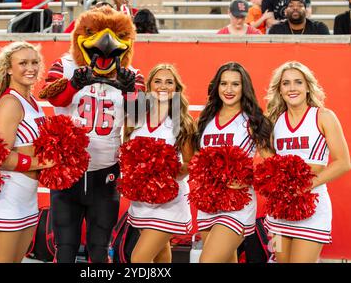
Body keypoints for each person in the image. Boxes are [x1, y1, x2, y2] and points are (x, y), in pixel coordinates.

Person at [42, 6, 145, 263]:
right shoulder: (65, 65)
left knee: (99, 247)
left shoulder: (132, 74)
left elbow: (140, 117)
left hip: (106, 169)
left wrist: (129, 91)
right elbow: (52, 97)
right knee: (65, 245)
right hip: (68, 169)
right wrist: (75, 83)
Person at [264, 61, 351, 263]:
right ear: (279, 89)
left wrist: (306, 185)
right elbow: (269, 164)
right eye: (286, 83)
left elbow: (343, 162)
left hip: (313, 208)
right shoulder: (273, 121)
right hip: (278, 212)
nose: (292, 88)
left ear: (308, 86)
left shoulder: (324, 117)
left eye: (298, 82)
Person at [0, 41, 54, 263]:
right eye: (23, 63)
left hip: (27, 198)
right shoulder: (10, 102)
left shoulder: (32, 101)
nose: (30, 68)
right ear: (9, 68)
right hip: (6, 198)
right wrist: (41, 162)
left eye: (34, 62)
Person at [194, 62, 273, 263]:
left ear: (244, 87)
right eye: (224, 84)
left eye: (235, 84)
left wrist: (248, 179)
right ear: (217, 86)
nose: (228, 90)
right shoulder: (206, 119)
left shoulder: (252, 121)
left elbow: (271, 164)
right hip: (208, 203)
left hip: (237, 205)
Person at [124, 64, 195, 263]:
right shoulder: (134, 116)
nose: (163, 86)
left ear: (176, 89)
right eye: (158, 81)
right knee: (161, 255)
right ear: (148, 86)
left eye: (169, 82)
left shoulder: (183, 122)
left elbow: (191, 163)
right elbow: (126, 153)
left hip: (168, 201)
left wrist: (164, 175)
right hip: (140, 201)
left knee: (139, 259)